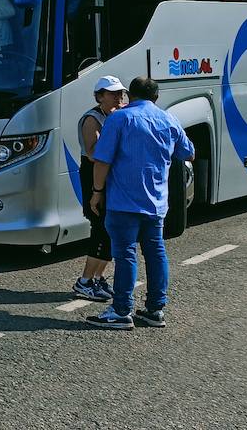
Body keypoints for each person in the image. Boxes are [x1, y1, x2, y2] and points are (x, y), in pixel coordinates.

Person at [85, 76, 195, 331]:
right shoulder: (168, 119)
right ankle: (156, 310)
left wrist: (96, 192)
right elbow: (188, 152)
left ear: (129, 96)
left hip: (124, 201)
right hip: (156, 202)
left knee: (126, 255)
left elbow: (102, 160)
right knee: (156, 253)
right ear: (155, 97)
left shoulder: (119, 119)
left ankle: (121, 310)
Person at [72, 75, 129, 302]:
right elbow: (95, 153)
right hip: (93, 175)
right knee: (101, 228)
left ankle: (97, 278)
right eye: (113, 93)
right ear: (99, 96)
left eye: (120, 93)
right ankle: (85, 281)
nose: (118, 97)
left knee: (110, 229)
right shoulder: (92, 119)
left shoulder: (116, 115)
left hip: (111, 175)